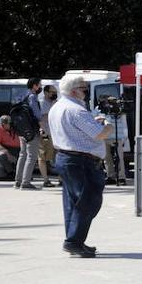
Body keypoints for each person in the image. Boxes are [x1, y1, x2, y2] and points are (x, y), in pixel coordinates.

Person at [48, 75, 114, 258]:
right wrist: (107, 123)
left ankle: (75, 241)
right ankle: (73, 241)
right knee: (89, 201)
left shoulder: (58, 107)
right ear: (74, 90)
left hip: (66, 158)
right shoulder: (76, 109)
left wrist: (95, 123)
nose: (86, 91)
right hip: (81, 161)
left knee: (73, 203)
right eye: (84, 88)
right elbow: (100, 134)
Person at [13, 78, 44, 190]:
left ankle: (18, 181)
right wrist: (42, 126)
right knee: (32, 156)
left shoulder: (22, 96)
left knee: (22, 155)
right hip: (31, 130)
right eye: (40, 85)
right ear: (35, 86)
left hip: (22, 130)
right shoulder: (32, 97)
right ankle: (26, 183)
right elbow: (37, 114)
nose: (40, 87)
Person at [38, 83, 59, 187]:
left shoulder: (56, 103)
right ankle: (46, 180)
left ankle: (61, 179)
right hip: (45, 133)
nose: (55, 94)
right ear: (46, 93)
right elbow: (41, 118)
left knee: (58, 156)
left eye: (56, 92)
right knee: (43, 157)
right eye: (52, 92)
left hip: (57, 134)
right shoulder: (41, 103)